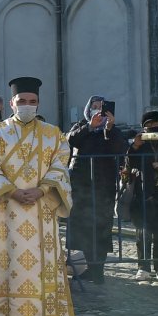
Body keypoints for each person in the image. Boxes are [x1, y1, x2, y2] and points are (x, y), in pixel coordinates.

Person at [0, 77, 75, 316]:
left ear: (38, 103)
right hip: (6, 208)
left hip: (41, 209)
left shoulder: (54, 134)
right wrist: (11, 191)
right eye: (22, 101)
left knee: (40, 263)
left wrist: (42, 190)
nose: (27, 105)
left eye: (32, 102)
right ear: (12, 103)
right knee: (2, 260)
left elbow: (61, 165)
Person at [65, 95, 125, 283]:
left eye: (101, 107)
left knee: (101, 227)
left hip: (103, 185)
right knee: (83, 226)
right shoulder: (81, 125)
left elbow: (120, 149)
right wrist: (90, 126)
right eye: (94, 107)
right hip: (81, 183)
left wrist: (109, 128)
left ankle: (99, 269)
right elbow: (70, 140)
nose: (97, 110)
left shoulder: (113, 130)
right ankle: (90, 266)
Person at [125, 111, 158, 281]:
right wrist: (135, 146)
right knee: (142, 232)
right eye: (149, 125)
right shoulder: (140, 144)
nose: (154, 128)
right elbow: (129, 164)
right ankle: (143, 267)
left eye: (157, 124)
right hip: (143, 192)